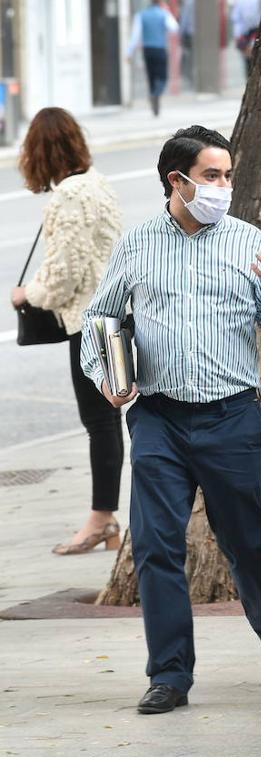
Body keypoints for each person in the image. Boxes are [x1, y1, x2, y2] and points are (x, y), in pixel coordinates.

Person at [80, 125, 261, 715]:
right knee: (156, 544)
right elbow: (98, 320)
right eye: (212, 176)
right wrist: (104, 373)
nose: (224, 186)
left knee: (247, 542)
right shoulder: (137, 244)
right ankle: (170, 675)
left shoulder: (248, 241)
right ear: (176, 181)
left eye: (227, 175)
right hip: (158, 418)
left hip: (231, 417)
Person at [10, 109, 124, 556]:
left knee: (100, 422)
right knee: (108, 421)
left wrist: (26, 295)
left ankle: (100, 519)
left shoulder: (70, 197)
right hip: (113, 316)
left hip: (90, 323)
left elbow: (64, 276)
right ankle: (107, 520)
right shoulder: (97, 182)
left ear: (38, 152)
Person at [126, 0, 179, 117]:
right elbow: (174, 28)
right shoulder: (163, 14)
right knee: (162, 78)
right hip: (160, 49)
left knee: (152, 77)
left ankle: (155, 104)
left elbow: (135, 36)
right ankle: (155, 95)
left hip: (147, 50)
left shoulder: (141, 15)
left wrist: (129, 53)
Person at [231, 0, 261, 77]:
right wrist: (238, 37)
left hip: (260, 31)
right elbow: (237, 20)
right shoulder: (240, 2)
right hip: (246, 34)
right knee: (248, 62)